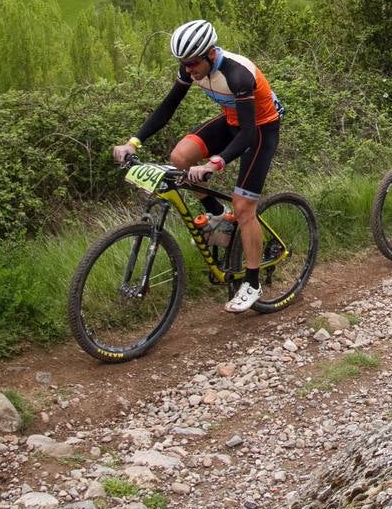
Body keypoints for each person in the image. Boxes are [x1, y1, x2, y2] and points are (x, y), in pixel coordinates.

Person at [112, 20, 284, 315]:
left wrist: (216, 162)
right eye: (183, 64)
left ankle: (252, 283)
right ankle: (218, 216)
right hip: (232, 121)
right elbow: (167, 108)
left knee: (244, 207)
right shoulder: (190, 68)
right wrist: (133, 142)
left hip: (260, 129)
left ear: (210, 54)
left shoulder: (238, 75)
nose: (188, 70)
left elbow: (248, 134)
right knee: (179, 158)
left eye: (192, 64)